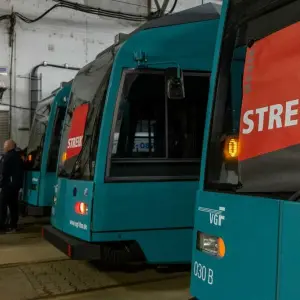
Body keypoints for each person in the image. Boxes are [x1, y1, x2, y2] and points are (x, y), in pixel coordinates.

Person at [0, 140, 24, 233]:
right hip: (15, 186)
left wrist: (1, 184)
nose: (4, 147)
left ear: (10, 146)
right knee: (13, 206)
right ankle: (13, 225)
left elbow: (3, 172)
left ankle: (2, 227)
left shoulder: (7, 157)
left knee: (2, 206)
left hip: (7, 186)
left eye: (5, 145)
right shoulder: (18, 157)